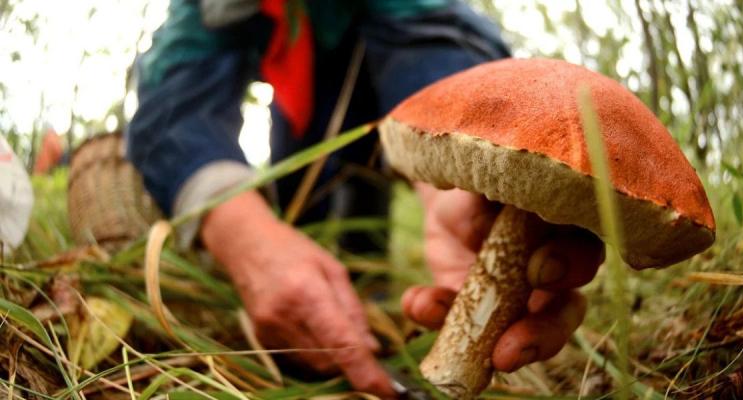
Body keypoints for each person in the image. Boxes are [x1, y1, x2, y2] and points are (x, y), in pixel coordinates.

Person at [127, 1, 605, 397]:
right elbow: (175, 96)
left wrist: (462, 172)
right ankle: (312, 337)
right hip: (298, 114)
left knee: (362, 229)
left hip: (379, 102)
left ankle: (369, 316)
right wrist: (243, 234)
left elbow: (434, 35)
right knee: (301, 219)